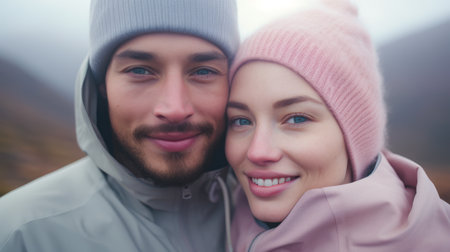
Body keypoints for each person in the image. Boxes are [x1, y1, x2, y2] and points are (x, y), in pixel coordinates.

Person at [0, 0, 239, 251]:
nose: (175, 109)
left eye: (203, 71)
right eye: (139, 70)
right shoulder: (19, 233)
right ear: (101, 84)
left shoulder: (268, 214)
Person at [226, 0, 450, 251]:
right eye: (241, 121)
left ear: (355, 135)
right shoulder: (223, 216)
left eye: (297, 118)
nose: (257, 152)